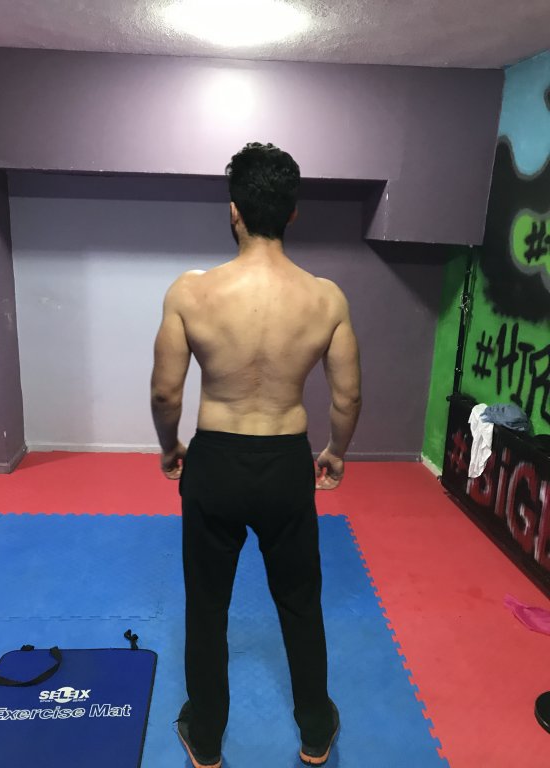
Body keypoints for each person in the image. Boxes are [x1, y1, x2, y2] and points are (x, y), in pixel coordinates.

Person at [151, 142, 362, 768]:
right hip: (286, 465)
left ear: (234, 210)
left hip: (214, 461)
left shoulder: (190, 292)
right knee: (300, 603)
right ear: (292, 213)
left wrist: (170, 446)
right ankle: (316, 731)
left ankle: (206, 738)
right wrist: (336, 452)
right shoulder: (326, 298)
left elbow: (165, 392)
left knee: (206, 606)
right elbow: (347, 396)